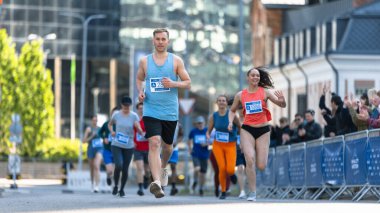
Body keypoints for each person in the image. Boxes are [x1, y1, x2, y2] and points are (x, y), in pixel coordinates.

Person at [136, 28, 191, 198]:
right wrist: (141, 91)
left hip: (169, 111)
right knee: (154, 142)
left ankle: (163, 168)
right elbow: (139, 79)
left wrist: (174, 84)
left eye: (163, 39)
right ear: (153, 41)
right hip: (151, 109)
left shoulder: (176, 61)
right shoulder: (145, 61)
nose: (160, 42)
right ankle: (157, 182)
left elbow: (188, 83)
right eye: (157, 39)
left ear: (168, 41)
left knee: (167, 147)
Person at [228, 67, 287, 201]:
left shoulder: (265, 92)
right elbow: (232, 111)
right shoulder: (240, 95)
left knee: (261, 165)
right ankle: (253, 192)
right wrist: (230, 122)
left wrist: (282, 100)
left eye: (258, 76)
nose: (256, 78)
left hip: (263, 130)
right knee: (249, 159)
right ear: (248, 78)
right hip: (247, 129)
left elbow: (282, 105)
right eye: (253, 75)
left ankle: (253, 186)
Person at [108, 96, 144, 197]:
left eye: (128, 106)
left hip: (129, 145)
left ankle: (122, 189)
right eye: (124, 106)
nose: (126, 108)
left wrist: (140, 130)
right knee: (118, 164)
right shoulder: (116, 114)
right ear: (121, 105)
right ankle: (115, 185)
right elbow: (110, 124)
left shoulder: (133, 116)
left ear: (130, 106)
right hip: (117, 144)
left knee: (125, 168)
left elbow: (137, 125)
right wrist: (112, 131)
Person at [206, 94, 240, 200]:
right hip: (218, 145)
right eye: (219, 100)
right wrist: (208, 136)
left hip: (231, 144)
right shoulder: (213, 116)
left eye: (223, 101)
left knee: (229, 169)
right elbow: (209, 130)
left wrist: (239, 138)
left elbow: (240, 127)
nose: (221, 102)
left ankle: (232, 174)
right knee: (222, 168)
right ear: (217, 103)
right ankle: (223, 191)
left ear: (226, 103)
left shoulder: (233, 115)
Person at [187, 116, 209, 196]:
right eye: (198, 123)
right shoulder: (193, 131)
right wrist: (189, 149)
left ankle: (201, 188)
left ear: (204, 123)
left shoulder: (207, 131)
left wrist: (206, 143)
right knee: (197, 168)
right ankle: (195, 181)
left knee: (203, 173)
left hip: (204, 154)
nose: (200, 125)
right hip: (195, 153)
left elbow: (211, 140)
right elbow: (189, 140)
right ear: (196, 124)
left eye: (201, 123)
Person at [98, 107, 119, 187]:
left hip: (117, 150)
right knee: (109, 170)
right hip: (107, 150)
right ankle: (108, 176)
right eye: (114, 113)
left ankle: (115, 185)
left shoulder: (121, 124)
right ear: (111, 114)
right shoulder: (106, 124)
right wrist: (104, 138)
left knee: (115, 170)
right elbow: (99, 132)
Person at [133, 102, 151, 196]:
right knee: (140, 168)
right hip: (137, 148)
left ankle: (147, 178)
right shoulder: (134, 120)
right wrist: (132, 142)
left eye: (143, 108)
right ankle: (140, 188)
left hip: (147, 148)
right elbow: (131, 132)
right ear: (137, 109)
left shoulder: (148, 120)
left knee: (147, 170)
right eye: (140, 108)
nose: (141, 109)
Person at [83, 115, 103, 193]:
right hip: (91, 149)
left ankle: (97, 186)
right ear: (91, 121)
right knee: (92, 168)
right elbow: (84, 141)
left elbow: (104, 137)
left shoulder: (100, 129)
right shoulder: (88, 129)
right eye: (94, 120)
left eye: (96, 120)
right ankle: (92, 184)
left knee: (96, 166)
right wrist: (91, 136)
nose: (95, 122)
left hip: (99, 148)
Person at [168, 123, 183, 196]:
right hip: (163, 148)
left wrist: (176, 142)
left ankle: (173, 187)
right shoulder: (162, 121)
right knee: (162, 167)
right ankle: (161, 185)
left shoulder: (178, 124)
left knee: (173, 166)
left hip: (174, 148)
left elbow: (181, 136)